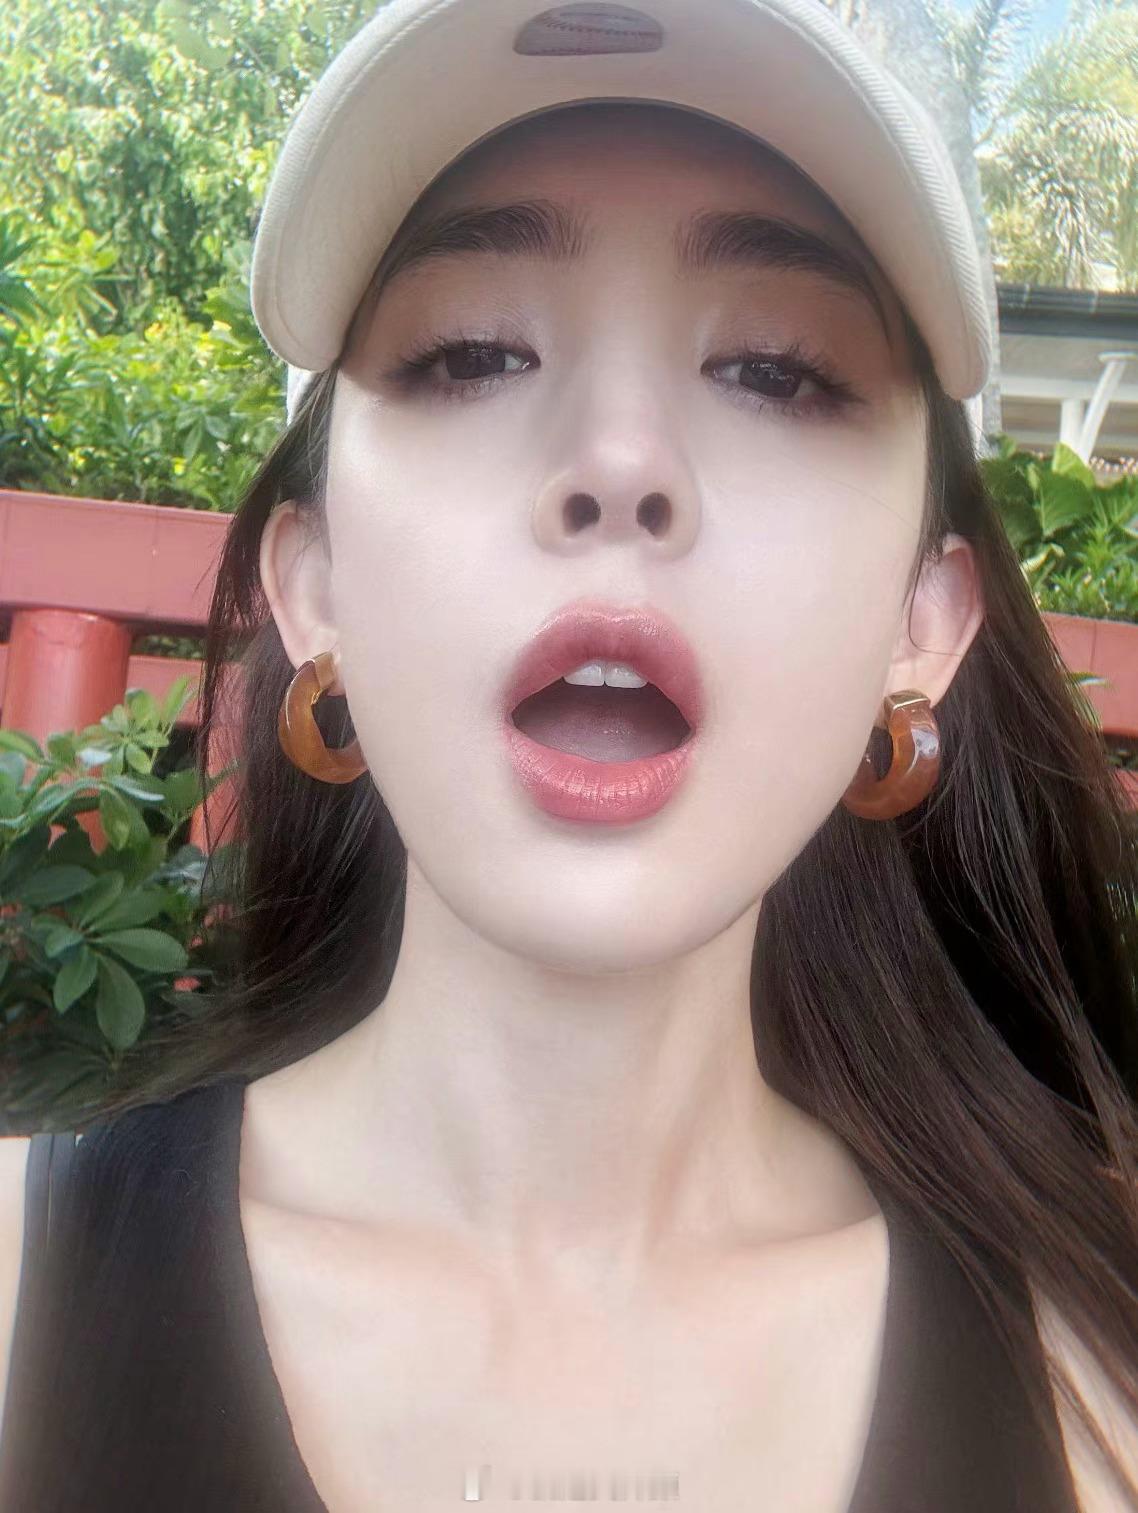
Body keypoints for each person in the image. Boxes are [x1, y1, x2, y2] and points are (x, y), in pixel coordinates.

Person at [2, 0, 1137, 1507]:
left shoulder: (1098, 1382)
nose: (619, 463)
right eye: (473, 353)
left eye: (776, 370)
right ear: (313, 583)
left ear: (920, 623)